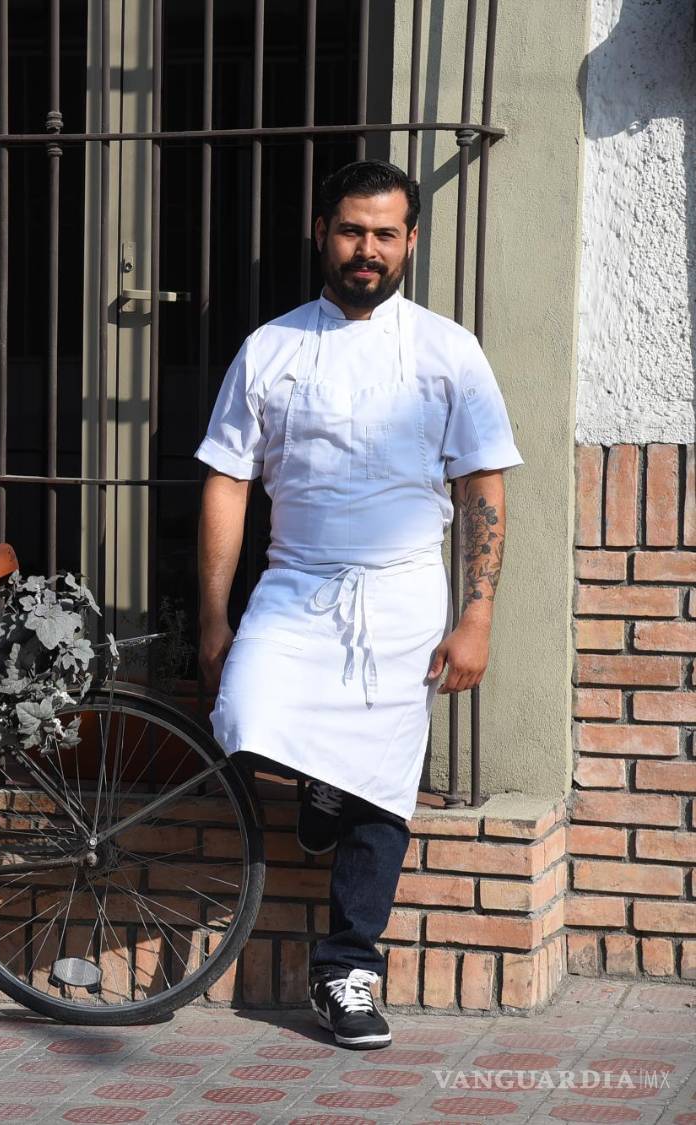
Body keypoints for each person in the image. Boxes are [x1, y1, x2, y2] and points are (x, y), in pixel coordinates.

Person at [194, 160, 521, 1049]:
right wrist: (218, 616)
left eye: (385, 233)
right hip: (296, 583)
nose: (366, 249)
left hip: (405, 595)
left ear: (411, 240)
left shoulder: (448, 350)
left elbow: (482, 485)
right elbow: (228, 482)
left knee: (383, 781)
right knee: (246, 712)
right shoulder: (271, 347)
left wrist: (478, 615)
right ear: (321, 232)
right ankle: (319, 786)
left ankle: (347, 968)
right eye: (351, 230)